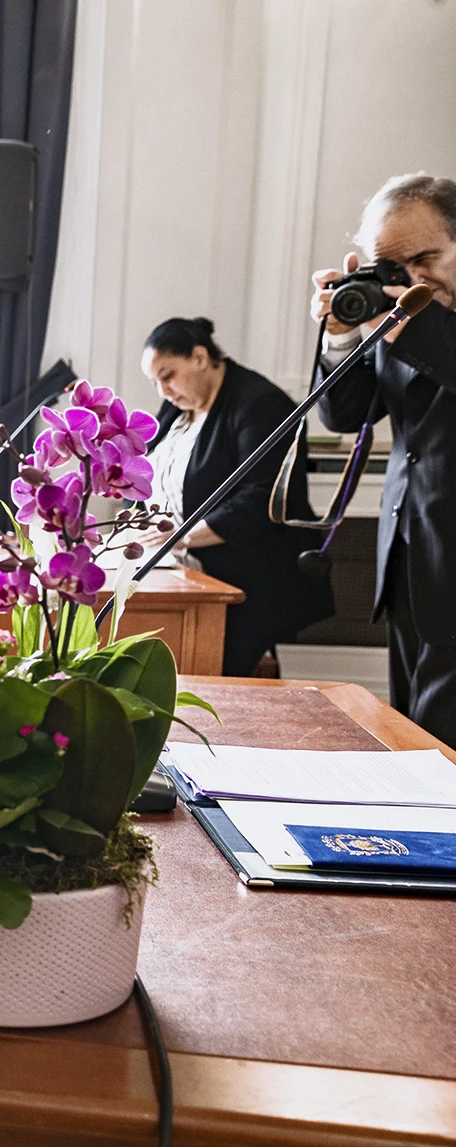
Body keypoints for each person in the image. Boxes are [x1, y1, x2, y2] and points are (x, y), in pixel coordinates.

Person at [312, 173, 456, 745]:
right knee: (414, 736)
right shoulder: (399, 323)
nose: (412, 279)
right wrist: (343, 335)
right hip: (410, 556)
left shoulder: (415, 325)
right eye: (392, 268)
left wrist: (409, 323)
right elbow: (345, 415)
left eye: (425, 258)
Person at [140, 317, 334, 675]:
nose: (162, 391)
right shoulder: (179, 404)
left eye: (167, 376)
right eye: (155, 382)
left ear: (199, 357)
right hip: (189, 570)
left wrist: (179, 539)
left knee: (208, 681)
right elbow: (148, 470)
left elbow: (261, 499)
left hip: (250, 580)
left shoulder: (262, 404)